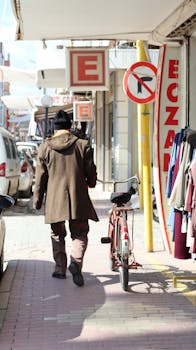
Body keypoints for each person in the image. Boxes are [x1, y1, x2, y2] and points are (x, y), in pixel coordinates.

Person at [33, 110, 99, 287]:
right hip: (79, 199)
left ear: (55, 128)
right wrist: (91, 182)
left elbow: (40, 179)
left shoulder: (45, 147)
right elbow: (91, 172)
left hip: (55, 200)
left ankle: (60, 269)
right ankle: (75, 262)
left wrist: (37, 201)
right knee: (80, 233)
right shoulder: (82, 145)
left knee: (57, 234)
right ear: (70, 127)